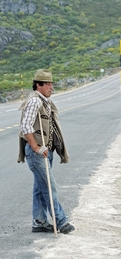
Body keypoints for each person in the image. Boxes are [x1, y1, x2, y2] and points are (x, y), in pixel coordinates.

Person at [17, 69, 75, 234]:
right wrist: (36, 147)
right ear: (38, 85)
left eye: (51, 84)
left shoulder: (45, 101)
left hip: (45, 151)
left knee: (40, 187)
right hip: (38, 152)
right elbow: (26, 126)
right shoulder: (35, 101)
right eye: (48, 84)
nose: (51, 87)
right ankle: (61, 222)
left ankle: (39, 222)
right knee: (50, 187)